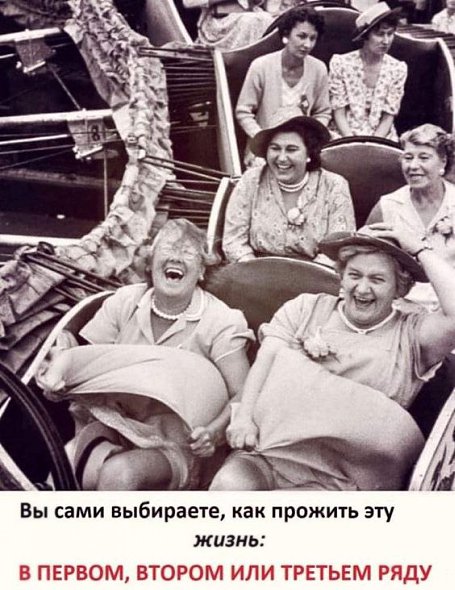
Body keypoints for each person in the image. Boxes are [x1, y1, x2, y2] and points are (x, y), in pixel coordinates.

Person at [211, 224, 455, 491]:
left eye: (377, 280)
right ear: (341, 276)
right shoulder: (305, 308)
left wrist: (420, 249)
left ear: (400, 288)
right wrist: (244, 418)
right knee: (228, 485)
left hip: (342, 479)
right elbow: (265, 362)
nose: (362, 288)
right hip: (268, 453)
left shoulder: (413, 335)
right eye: (354, 275)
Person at [36, 219, 252, 491]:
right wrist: (59, 378)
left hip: (181, 445)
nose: (176, 256)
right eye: (168, 248)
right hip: (115, 427)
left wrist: (214, 432)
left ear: (201, 271)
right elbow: (87, 362)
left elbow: (244, 393)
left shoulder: (221, 320)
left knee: (120, 473)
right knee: (62, 465)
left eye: (187, 252)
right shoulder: (123, 302)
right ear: (150, 263)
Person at [222, 110, 355, 262]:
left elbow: (339, 247)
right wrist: (254, 270)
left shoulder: (334, 185)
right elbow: (233, 241)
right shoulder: (251, 180)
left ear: (309, 154)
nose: (282, 158)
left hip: (316, 273)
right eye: (275, 148)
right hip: (255, 269)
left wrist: (308, 274)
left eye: (291, 149)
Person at [367, 123, 455, 310]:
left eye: (424, 157)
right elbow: (364, 258)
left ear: (443, 161)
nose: (413, 166)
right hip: (400, 309)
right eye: (408, 158)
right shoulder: (388, 205)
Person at [235, 5, 331, 159]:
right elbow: (243, 111)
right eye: (301, 36)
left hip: (303, 150)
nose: (307, 44)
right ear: (286, 34)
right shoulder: (261, 66)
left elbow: (323, 112)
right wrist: (262, 138)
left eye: (312, 38)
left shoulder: (319, 69)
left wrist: (310, 139)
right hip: (264, 150)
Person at [328, 2, 407, 140]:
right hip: (343, 133)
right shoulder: (341, 63)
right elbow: (338, 112)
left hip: (382, 135)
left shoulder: (397, 68)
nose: (386, 41)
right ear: (365, 36)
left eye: (390, 34)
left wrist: (374, 144)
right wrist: (351, 141)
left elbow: (388, 116)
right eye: (380, 34)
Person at [182, 1, 298, 50]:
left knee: (274, 23)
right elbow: (188, 2)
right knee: (257, 21)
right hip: (220, 23)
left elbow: (269, 6)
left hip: (251, 16)